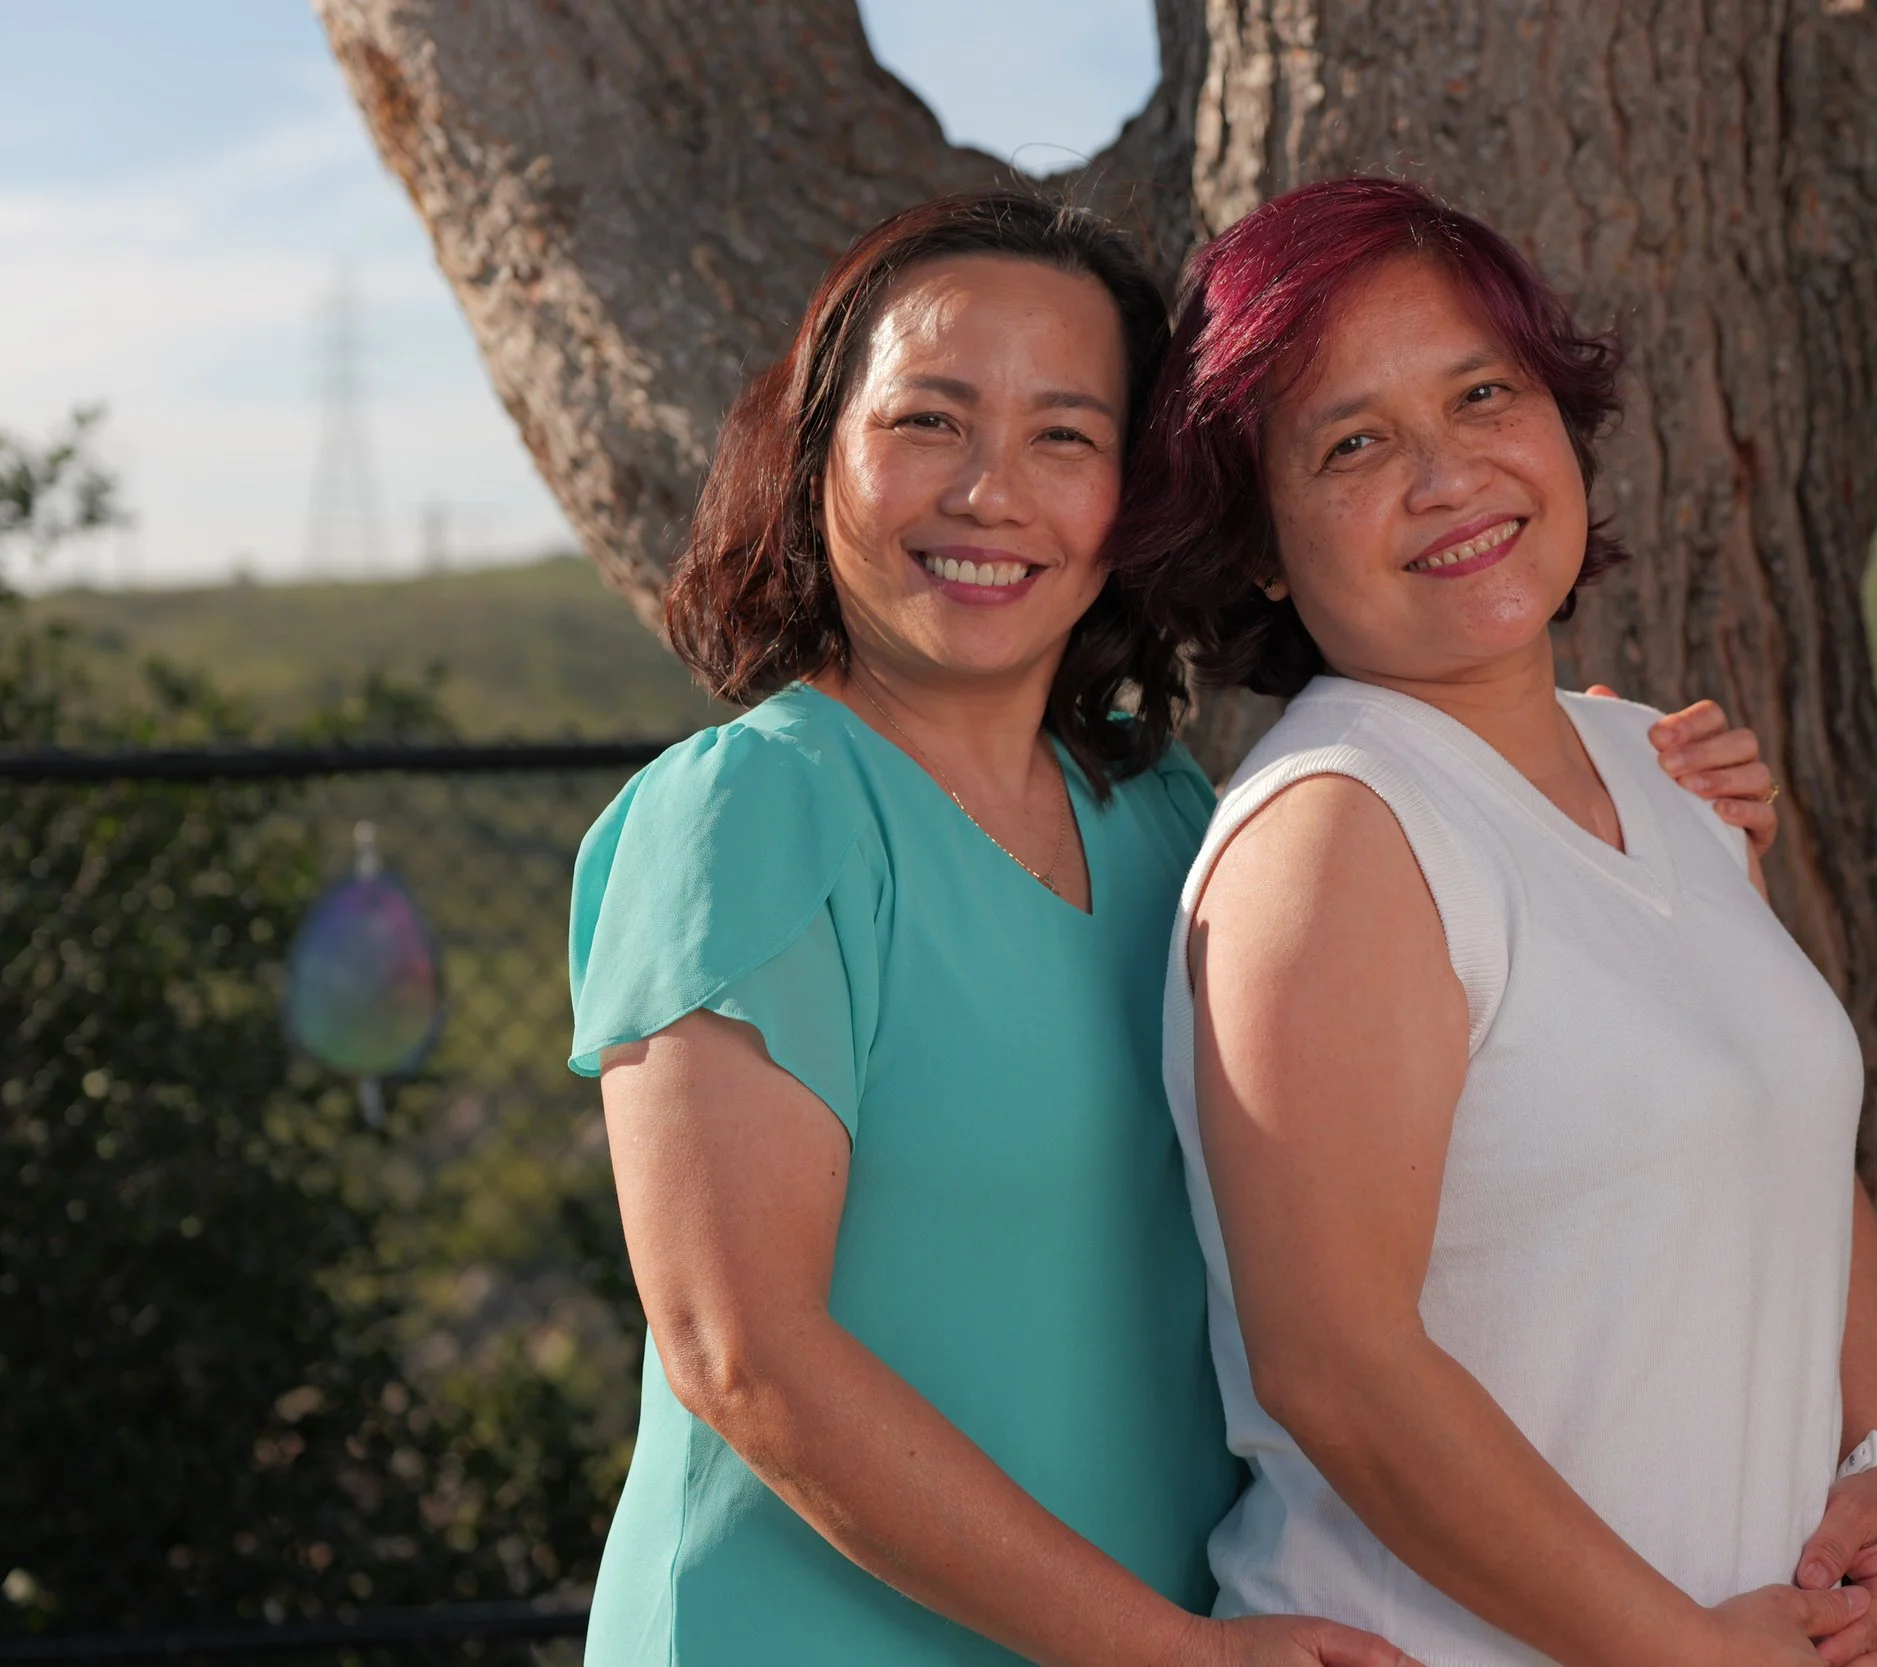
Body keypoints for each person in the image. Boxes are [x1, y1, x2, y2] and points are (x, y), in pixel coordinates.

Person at [567, 188, 1784, 1666]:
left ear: (1130, 503)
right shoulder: (749, 813)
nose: (989, 493)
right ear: (819, 447)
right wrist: (1160, 1650)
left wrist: (1600, 798)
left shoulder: (1160, 813)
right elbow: (741, 1352)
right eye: (929, 422)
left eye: (1063, 436)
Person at [1122, 177, 1877, 1667]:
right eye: (1354, 442)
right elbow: (1342, 1367)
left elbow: (1784, 1140)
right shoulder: (1335, 831)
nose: (1448, 476)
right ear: (1260, 541)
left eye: (1482, 393)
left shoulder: (1659, 762)